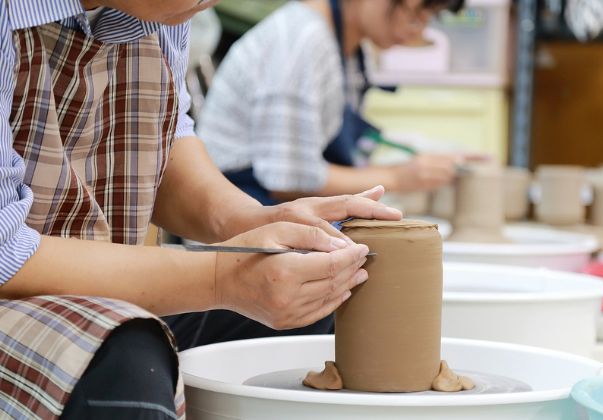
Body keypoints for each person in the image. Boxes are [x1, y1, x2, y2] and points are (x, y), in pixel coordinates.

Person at [0, 1, 402, 418]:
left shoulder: (162, 11)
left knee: (312, 297)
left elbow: (160, 137)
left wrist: (255, 222)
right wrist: (221, 276)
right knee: (126, 359)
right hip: (22, 293)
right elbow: (4, 255)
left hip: (101, 291)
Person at [197, 0, 468, 207]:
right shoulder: (302, 40)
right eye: (414, 13)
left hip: (282, 214)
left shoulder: (348, 46)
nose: (416, 31)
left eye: (428, 18)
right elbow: (288, 180)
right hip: (238, 218)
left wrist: (429, 156)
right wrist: (398, 177)